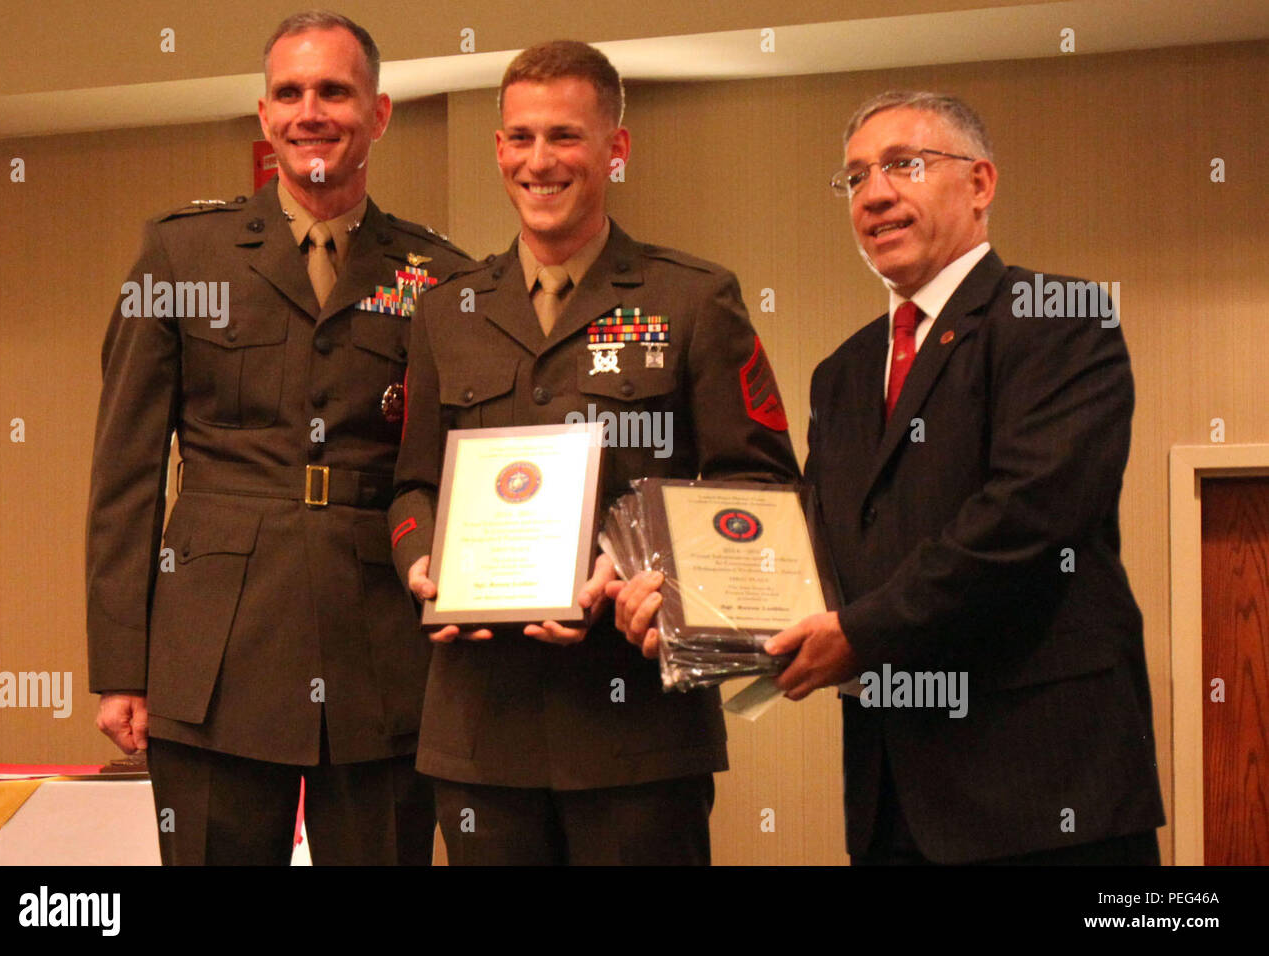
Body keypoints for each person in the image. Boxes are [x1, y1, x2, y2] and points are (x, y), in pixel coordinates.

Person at [390, 40, 798, 865]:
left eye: (566, 137)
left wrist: (652, 570)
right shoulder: (447, 313)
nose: (540, 161)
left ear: (616, 148)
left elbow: (761, 492)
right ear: (500, 149)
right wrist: (423, 564)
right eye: (520, 138)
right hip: (479, 737)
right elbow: (412, 486)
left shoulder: (692, 300)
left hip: (637, 734)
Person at [86, 11, 470, 865]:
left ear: (379, 113)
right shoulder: (180, 257)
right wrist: (121, 665)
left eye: (335, 91)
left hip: (382, 657)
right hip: (214, 656)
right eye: (289, 93)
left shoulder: (441, 276)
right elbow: (125, 474)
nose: (311, 112)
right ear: (264, 116)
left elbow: (455, 473)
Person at [763, 91, 1165, 863]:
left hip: (1045, 795)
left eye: (903, 165)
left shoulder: (1058, 317)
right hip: (892, 797)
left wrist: (861, 633)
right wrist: (692, 608)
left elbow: (1026, 519)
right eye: (854, 178)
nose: (874, 193)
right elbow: (815, 543)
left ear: (980, 184)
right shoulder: (840, 373)